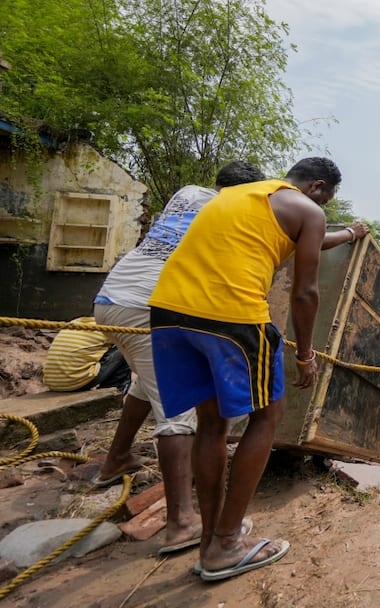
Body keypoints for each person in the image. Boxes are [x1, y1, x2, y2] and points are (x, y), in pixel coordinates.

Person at [148, 157, 354, 582]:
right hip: (232, 318)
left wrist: (351, 233)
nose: (325, 207)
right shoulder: (309, 211)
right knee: (265, 417)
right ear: (317, 188)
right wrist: (306, 355)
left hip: (168, 311)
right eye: (328, 199)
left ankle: (212, 539)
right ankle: (226, 545)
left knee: (212, 424)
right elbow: (305, 292)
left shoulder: (235, 195)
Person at [91, 161, 266, 556]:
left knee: (146, 381)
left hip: (111, 299)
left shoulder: (186, 193)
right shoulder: (227, 211)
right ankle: (182, 523)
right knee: (180, 416)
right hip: (146, 308)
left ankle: (116, 459)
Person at [43, 317, 130, 393]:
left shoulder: (75, 322)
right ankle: (113, 393)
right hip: (73, 382)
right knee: (125, 350)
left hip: (52, 382)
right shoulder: (107, 327)